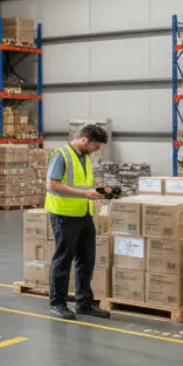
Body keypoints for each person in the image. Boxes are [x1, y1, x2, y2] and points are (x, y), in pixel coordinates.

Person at [45, 123, 111, 321]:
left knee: (86, 260)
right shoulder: (61, 155)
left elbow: (82, 183)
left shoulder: (85, 157)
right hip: (64, 215)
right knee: (63, 260)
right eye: (96, 146)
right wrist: (85, 193)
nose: (97, 150)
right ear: (84, 140)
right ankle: (57, 303)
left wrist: (99, 189)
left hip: (83, 214)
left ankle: (84, 303)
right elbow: (53, 185)